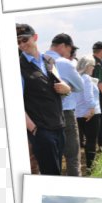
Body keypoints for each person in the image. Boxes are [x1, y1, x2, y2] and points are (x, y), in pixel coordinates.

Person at [17, 23, 71, 176]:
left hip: (58, 125)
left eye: (24, 39)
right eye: (18, 42)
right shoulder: (17, 67)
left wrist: (66, 89)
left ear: (35, 37)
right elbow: (14, 104)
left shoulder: (49, 60)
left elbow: (59, 86)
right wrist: (33, 129)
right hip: (41, 129)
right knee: (50, 174)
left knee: (57, 171)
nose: (21, 44)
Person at [44, 33, 84, 177]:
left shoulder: (37, 61)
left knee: (50, 158)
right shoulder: (63, 63)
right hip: (65, 112)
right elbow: (80, 86)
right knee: (72, 156)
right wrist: (68, 87)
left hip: (41, 114)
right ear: (62, 46)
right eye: (69, 49)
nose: (70, 53)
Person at [75, 55, 101, 172]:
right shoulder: (86, 78)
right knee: (91, 140)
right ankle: (91, 167)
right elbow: (89, 97)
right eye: (92, 66)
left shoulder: (77, 77)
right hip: (90, 113)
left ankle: (81, 165)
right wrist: (91, 109)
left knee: (81, 140)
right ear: (86, 66)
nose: (93, 68)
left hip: (79, 113)